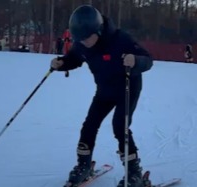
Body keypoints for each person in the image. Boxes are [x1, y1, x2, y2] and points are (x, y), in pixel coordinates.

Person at [50, 5, 153, 187]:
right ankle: (84, 165)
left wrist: (135, 61)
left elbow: (148, 60)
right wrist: (62, 63)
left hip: (127, 87)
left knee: (120, 126)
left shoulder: (120, 39)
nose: (83, 43)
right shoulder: (82, 42)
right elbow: (75, 57)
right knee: (90, 124)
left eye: (86, 38)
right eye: (79, 39)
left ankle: (134, 172)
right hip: (104, 89)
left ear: (98, 30)